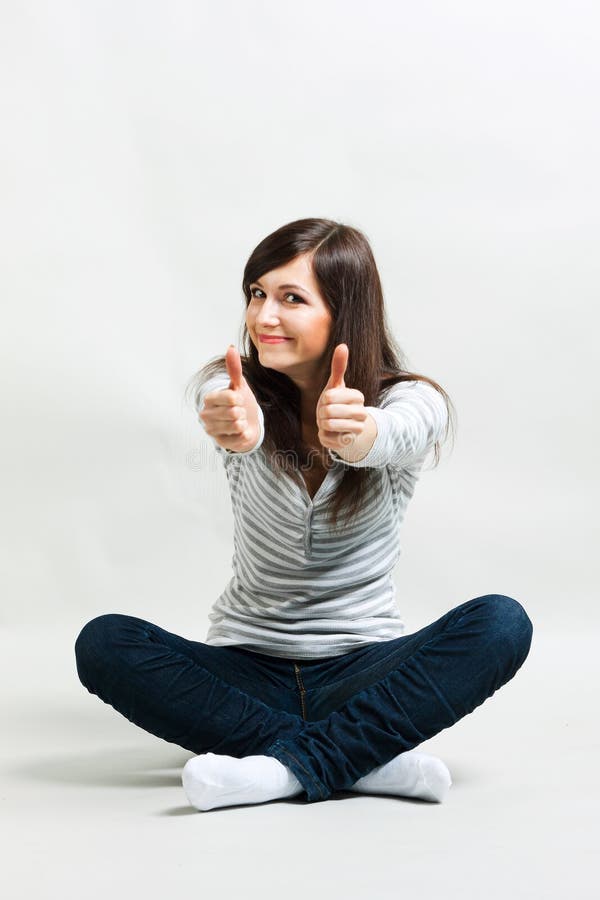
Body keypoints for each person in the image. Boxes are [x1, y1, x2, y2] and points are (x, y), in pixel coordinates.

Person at [74, 217, 533, 812]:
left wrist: (360, 434)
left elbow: (395, 432)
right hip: (245, 668)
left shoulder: (410, 400)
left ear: (343, 313)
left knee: (502, 623)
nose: (263, 316)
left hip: (362, 670)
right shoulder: (233, 390)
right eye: (257, 294)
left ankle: (279, 768)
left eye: (292, 298)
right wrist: (242, 433)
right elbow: (240, 424)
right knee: (104, 642)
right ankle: (358, 759)